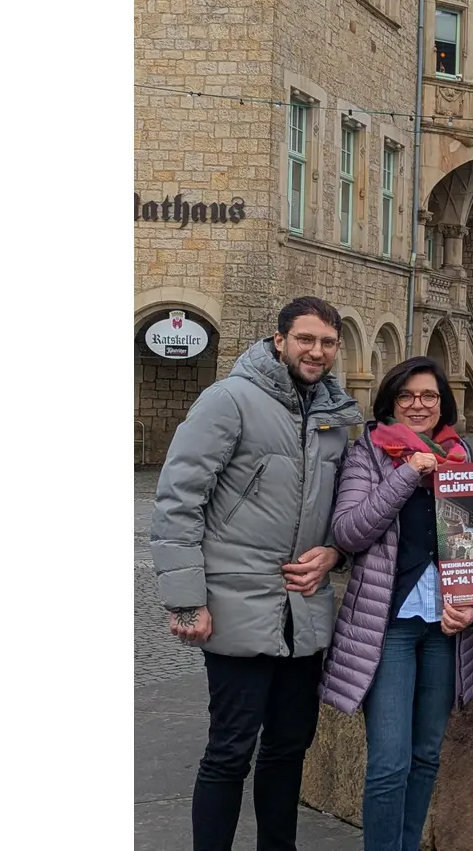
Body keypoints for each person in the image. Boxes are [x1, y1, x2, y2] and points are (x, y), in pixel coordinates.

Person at [151, 297, 363, 851]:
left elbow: (346, 508)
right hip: (236, 604)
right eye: (305, 339)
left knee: (290, 744)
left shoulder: (335, 415)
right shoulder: (229, 401)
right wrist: (185, 601)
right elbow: (178, 501)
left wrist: (335, 553)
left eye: (327, 342)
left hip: (304, 608)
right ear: (280, 340)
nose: (316, 351)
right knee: (230, 748)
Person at [319, 356, 473, 851]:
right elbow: (349, 531)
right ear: (391, 402)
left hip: (444, 626)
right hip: (387, 625)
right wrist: (407, 474)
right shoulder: (369, 454)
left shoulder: (462, 455)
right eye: (407, 396)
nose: (418, 405)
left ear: (443, 403)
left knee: (426, 755)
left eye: (429, 396)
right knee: (389, 761)